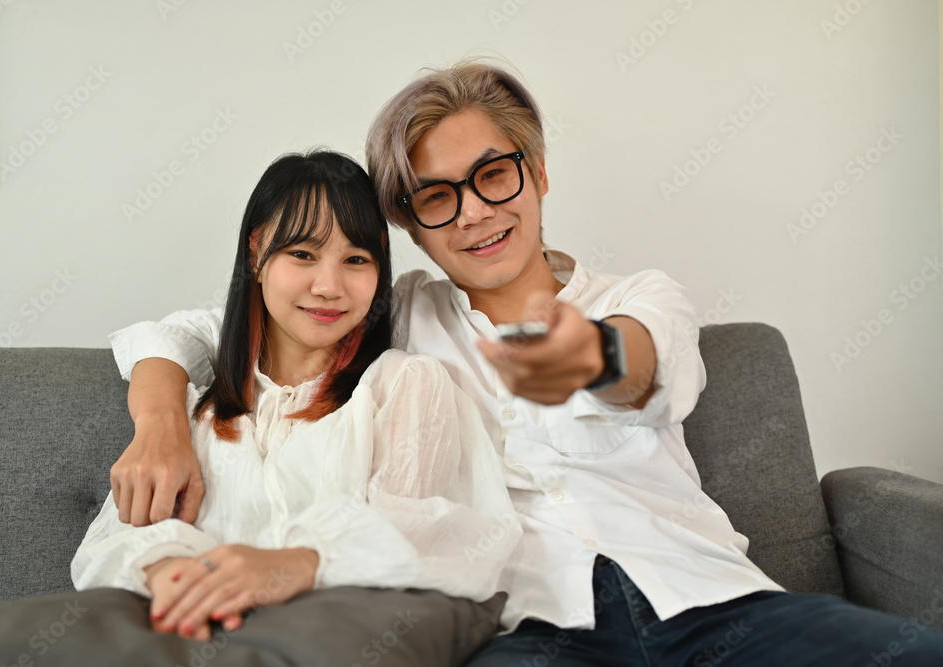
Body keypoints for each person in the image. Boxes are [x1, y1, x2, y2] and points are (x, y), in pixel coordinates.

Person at [108, 62, 943, 665]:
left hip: (715, 602)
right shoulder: (394, 314)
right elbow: (191, 327)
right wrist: (158, 422)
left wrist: (592, 355)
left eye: (493, 176)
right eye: (438, 195)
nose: (474, 213)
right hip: (528, 628)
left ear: (536, 173)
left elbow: (651, 366)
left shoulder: (637, 293)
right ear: (411, 223)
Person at [74, 149, 519, 643]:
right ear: (256, 254)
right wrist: (166, 571)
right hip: (184, 636)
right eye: (302, 254)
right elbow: (110, 544)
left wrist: (283, 567)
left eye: (356, 260)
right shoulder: (194, 410)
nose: (329, 286)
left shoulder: (404, 385)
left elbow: (419, 535)